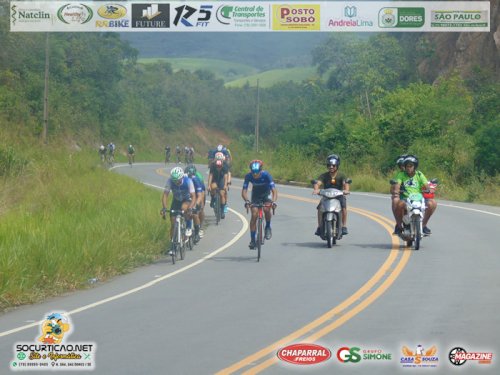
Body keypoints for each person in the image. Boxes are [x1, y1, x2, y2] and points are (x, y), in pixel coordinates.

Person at [392, 155, 437, 235]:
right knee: (399, 204)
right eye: (407, 166)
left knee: (433, 203)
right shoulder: (401, 175)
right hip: (406, 199)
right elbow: (397, 185)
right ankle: (399, 226)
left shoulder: (419, 174)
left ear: (414, 166)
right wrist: (396, 190)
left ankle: (423, 225)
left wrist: (430, 189)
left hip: (419, 198)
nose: (409, 168)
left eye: (411, 166)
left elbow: (426, 185)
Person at [241, 160, 278, 249]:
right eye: (253, 172)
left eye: (257, 172)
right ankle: (253, 240)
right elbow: (244, 191)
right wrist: (246, 200)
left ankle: (268, 227)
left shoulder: (266, 175)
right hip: (256, 196)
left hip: (266, 194)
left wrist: (273, 201)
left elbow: (274, 190)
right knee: (254, 214)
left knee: (266, 209)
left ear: (260, 170)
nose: (255, 174)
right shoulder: (248, 176)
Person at [312, 154, 350, 236]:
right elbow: (318, 183)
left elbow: (345, 183)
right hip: (326, 196)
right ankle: (319, 227)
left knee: (343, 207)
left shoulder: (341, 175)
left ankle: (344, 226)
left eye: (333, 165)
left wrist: (346, 190)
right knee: (320, 208)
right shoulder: (324, 175)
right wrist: (316, 189)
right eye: (329, 165)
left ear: (337, 165)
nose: (331, 167)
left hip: (339, 196)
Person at [161, 167, 196, 251]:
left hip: (187, 199)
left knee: (184, 208)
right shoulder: (170, 181)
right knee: (173, 223)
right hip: (176, 201)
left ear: (182, 177)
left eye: (178, 180)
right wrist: (164, 208)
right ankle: (172, 244)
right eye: (174, 180)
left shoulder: (188, 181)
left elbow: (193, 196)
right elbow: (165, 195)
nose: (176, 182)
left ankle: (188, 227)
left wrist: (190, 208)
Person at [185, 164, 205, 243]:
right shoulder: (184, 179)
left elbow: (201, 194)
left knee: (195, 214)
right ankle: (186, 227)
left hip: (198, 195)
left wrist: (198, 204)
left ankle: (197, 232)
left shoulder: (197, 179)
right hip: (188, 196)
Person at [390, 154, 408, 233]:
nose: (402, 167)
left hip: (414, 197)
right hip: (402, 197)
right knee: (395, 200)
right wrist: (395, 191)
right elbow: (392, 188)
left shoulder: (417, 174)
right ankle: (399, 223)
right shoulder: (399, 175)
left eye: (403, 165)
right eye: (400, 165)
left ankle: (422, 225)